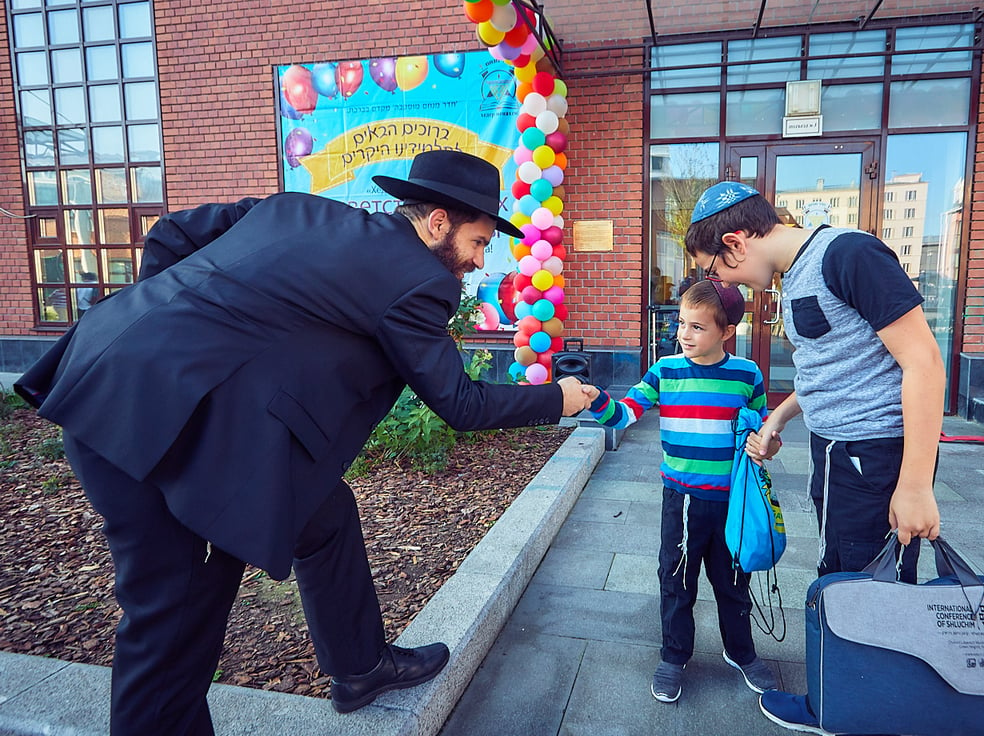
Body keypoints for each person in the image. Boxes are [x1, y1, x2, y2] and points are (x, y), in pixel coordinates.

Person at [14, 149, 594, 736]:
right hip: (166, 435)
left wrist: (168, 334)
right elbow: (461, 405)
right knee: (173, 619)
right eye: (477, 241)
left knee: (326, 511)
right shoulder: (419, 281)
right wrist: (559, 400)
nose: (478, 259)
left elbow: (170, 233)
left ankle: (360, 665)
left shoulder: (293, 209)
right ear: (437, 222)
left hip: (107, 375)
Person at [683, 181, 943, 732]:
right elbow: (833, 366)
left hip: (871, 454)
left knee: (862, 583)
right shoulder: (796, 274)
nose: (719, 282)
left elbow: (924, 362)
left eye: (714, 269)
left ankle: (856, 713)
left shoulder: (849, 254)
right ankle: (846, 699)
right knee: (842, 572)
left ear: (735, 243)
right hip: (836, 451)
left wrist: (916, 485)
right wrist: (778, 417)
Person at [582, 279, 778, 705]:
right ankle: (674, 655)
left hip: (733, 502)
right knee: (676, 580)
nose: (684, 335)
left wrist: (767, 442)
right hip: (683, 500)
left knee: (733, 580)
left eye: (697, 328)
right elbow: (623, 415)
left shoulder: (747, 374)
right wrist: (597, 399)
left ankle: (741, 651)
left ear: (727, 332)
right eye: (681, 325)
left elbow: (765, 429)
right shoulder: (665, 371)